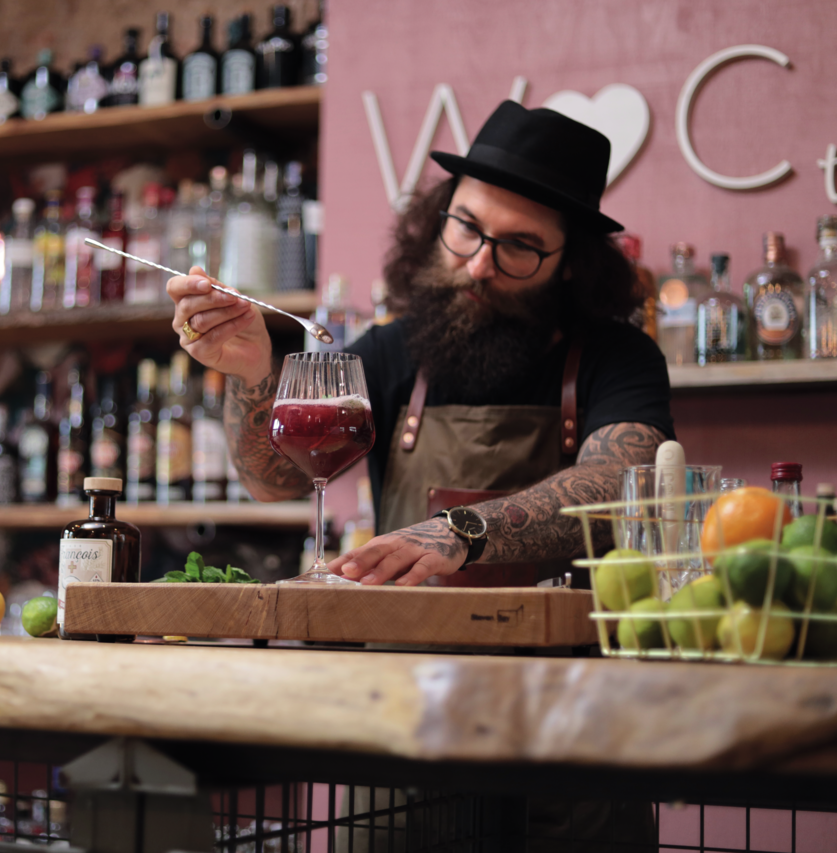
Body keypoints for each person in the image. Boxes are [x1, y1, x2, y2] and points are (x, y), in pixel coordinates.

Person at [167, 101, 674, 585]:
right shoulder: (392, 351)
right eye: (467, 227)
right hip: (402, 664)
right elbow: (273, 483)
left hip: (560, 667)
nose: (478, 265)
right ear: (441, 215)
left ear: (572, 264)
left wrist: (459, 531)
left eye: (519, 246)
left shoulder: (618, 356)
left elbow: (619, 486)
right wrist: (252, 371)